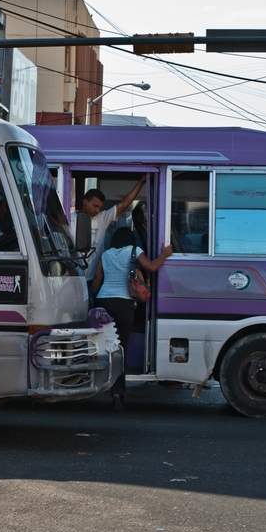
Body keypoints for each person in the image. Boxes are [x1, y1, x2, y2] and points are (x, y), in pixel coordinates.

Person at [91, 227, 173, 411]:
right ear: (130, 239)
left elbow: (97, 278)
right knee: (121, 348)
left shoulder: (106, 254)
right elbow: (151, 266)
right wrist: (165, 254)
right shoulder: (134, 251)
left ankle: (96, 385)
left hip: (103, 302)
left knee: (104, 347)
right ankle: (117, 393)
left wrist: (90, 298)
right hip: (123, 304)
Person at [70, 176, 146, 286]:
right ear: (85, 202)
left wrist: (142, 181)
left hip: (94, 278)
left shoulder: (102, 218)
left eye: (100, 207)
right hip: (74, 279)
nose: (97, 210)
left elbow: (124, 204)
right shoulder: (68, 219)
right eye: (95, 206)